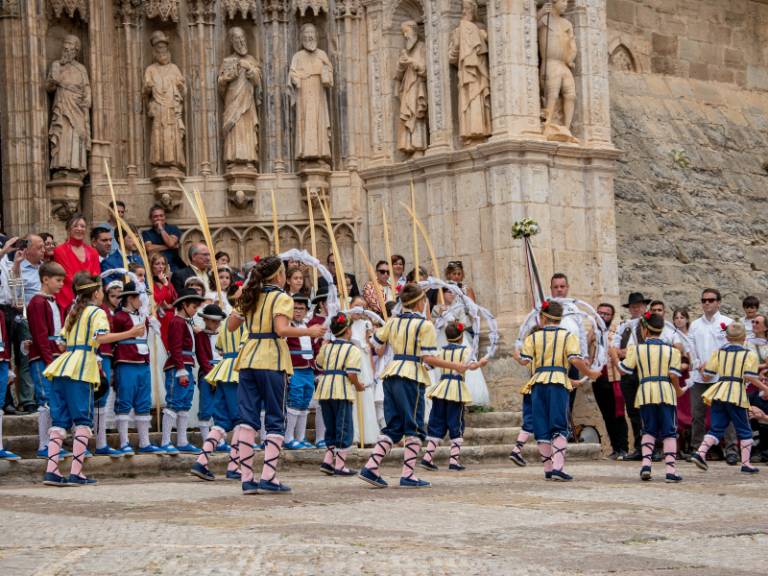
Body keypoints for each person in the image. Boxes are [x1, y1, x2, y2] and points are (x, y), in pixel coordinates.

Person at [227, 256, 326, 494]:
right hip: (271, 358)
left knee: (247, 418)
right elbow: (281, 329)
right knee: (275, 417)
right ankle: (269, 476)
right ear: (278, 276)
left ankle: (247, 478)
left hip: (248, 357)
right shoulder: (282, 297)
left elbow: (230, 326)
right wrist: (309, 331)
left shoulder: (250, 295)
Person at [359, 284, 473, 489]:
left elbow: (375, 341)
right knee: (415, 426)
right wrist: (455, 365)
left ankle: (371, 466)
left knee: (394, 425)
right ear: (421, 302)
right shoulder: (424, 325)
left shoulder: (393, 321)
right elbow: (428, 357)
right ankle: (408, 474)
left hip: (391, 373)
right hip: (411, 376)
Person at [42, 272, 145, 486]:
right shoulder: (97, 312)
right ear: (96, 292)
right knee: (82, 420)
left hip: (63, 365)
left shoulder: (73, 312)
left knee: (60, 421)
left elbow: (61, 343)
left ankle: (51, 470)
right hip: (81, 368)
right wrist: (130, 333)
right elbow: (100, 338)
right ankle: (76, 472)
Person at [513, 300, 600, 481]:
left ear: (543, 318)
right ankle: (558, 468)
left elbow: (524, 361)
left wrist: (516, 355)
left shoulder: (533, 338)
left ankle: (548, 468)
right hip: (558, 382)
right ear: (560, 318)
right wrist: (589, 372)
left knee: (541, 425)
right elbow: (575, 360)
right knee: (559, 424)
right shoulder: (568, 337)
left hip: (537, 384)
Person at [692, 323, 768, 474]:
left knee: (717, 427)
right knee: (744, 429)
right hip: (736, 393)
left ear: (726, 337)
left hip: (719, 391)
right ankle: (746, 464)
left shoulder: (719, 353)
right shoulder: (749, 355)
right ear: (744, 337)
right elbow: (748, 376)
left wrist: (701, 368)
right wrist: (765, 388)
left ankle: (700, 453)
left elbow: (707, 376)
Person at [618, 313, 684, 482]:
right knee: (669, 431)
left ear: (644, 329)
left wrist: (613, 356)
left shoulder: (636, 349)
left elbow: (624, 369)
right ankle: (670, 470)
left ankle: (646, 465)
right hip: (666, 392)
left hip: (646, 392)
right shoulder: (672, 352)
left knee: (648, 429)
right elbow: (674, 376)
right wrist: (678, 390)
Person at [190, 304, 246, 482]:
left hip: (223, 369)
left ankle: (202, 460)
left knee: (221, 421)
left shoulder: (225, 326)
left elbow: (220, 348)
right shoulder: (245, 324)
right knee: (240, 419)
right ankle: (234, 465)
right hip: (236, 370)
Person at [422, 322, 487, 472]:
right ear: (461, 337)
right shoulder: (464, 352)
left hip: (441, 388)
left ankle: (428, 457)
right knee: (456, 423)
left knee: (436, 421)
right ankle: (454, 460)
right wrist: (481, 362)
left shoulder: (440, 351)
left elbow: (428, 366)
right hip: (456, 390)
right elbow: (471, 366)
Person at [112, 281, 164, 455]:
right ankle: (124, 442)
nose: (142, 302)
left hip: (143, 363)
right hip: (126, 363)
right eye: (139, 298)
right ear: (130, 298)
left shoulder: (144, 317)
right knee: (124, 401)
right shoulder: (118, 317)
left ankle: (144, 442)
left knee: (143, 402)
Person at [689, 288, 737, 464]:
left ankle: (731, 449)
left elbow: (730, 348)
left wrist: (714, 368)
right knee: (697, 414)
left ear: (718, 302)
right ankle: (698, 449)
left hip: (721, 376)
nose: (707, 303)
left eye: (710, 300)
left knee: (727, 413)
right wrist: (698, 365)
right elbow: (691, 349)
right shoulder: (695, 325)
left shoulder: (728, 323)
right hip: (700, 375)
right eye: (704, 300)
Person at [315, 312, 364, 476]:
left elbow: (319, 364)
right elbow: (351, 374)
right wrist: (358, 386)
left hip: (324, 388)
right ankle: (340, 464)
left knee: (331, 425)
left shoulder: (326, 346)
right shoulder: (353, 349)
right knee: (344, 426)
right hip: (341, 389)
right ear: (348, 331)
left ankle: (328, 461)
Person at [27, 262, 66, 459]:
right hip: (44, 357)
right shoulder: (37, 302)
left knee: (56, 399)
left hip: (56, 354)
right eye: (58, 280)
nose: (61, 285)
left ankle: (54, 443)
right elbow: (41, 334)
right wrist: (49, 359)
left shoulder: (55, 302)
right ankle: (44, 445)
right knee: (46, 398)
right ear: (45, 279)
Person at [161, 288, 205, 455]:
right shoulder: (177, 322)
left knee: (185, 404)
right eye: (193, 307)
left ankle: (182, 440)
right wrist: (180, 369)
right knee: (174, 402)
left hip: (187, 365)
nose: (195, 310)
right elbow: (175, 347)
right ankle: (165, 441)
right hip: (178, 367)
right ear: (184, 305)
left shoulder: (186, 323)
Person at [613, 291, 651, 460]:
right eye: (633, 306)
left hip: (645, 370)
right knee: (633, 411)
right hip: (629, 371)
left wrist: (627, 352)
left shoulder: (651, 324)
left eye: (639, 306)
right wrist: (624, 354)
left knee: (649, 409)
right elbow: (615, 348)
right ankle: (639, 447)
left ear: (644, 307)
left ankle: (653, 447)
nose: (636, 309)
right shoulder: (624, 326)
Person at [592, 303, 629, 459]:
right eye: (600, 313)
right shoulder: (592, 332)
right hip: (599, 377)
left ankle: (623, 448)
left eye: (606, 314)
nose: (603, 316)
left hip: (614, 377)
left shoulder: (619, 331)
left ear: (611, 316)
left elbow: (628, 351)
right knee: (607, 414)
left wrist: (617, 353)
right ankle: (615, 448)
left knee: (618, 414)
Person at [285, 294, 316, 450]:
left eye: (301, 309)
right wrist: (287, 371)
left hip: (308, 370)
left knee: (305, 403)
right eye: (295, 308)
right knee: (294, 402)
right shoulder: (287, 327)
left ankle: (300, 438)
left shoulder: (307, 326)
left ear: (306, 311)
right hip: (295, 370)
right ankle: (288, 437)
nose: (298, 311)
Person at [194, 304, 227, 446]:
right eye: (213, 321)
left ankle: (219, 440)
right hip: (208, 375)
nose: (216, 324)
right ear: (206, 320)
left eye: (218, 321)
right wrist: (212, 377)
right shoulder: (200, 336)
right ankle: (207, 441)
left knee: (220, 408)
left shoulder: (223, 336)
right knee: (206, 407)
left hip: (222, 374)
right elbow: (202, 358)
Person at [53, 213, 101, 310]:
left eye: (82, 226)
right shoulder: (60, 251)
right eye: (75, 226)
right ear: (68, 229)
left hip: (91, 299)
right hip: (69, 300)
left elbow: (96, 277)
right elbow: (68, 277)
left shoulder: (93, 252)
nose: (79, 229)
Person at [142, 205, 184, 272]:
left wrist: (161, 229)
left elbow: (171, 243)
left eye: (161, 216)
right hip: (155, 268)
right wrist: (170, 247)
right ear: (151, 219)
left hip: (173, 266)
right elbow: (149, 249)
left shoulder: (173, 229)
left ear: (165, 217)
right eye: (155, 216)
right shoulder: (147, 233)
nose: (159, 218)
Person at [0, 300, 17, 460]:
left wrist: (7, 362)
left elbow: (4, 340)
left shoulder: (1, 313)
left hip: (2, 360)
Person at [150, 253, 177, 348]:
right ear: (151, 266)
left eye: (163, 263)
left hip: (171, 318)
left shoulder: (168, 282)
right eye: (157, 264)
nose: (161, 266)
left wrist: (166, 283)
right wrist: (165, 285)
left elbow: (176, 300)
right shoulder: (150, 283)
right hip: (160, 319)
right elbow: (157, 300)